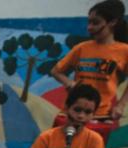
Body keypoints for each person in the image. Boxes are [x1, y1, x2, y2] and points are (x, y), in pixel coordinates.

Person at [51, 0, 128, 140]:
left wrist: (121, 105)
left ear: (112, 22)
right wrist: (69, 83)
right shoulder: (82, 48)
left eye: (96, 22)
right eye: (89, 22)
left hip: (101, 115)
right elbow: (56, 71)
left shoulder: (123, 50)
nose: (89, 27)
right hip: (72, 112)